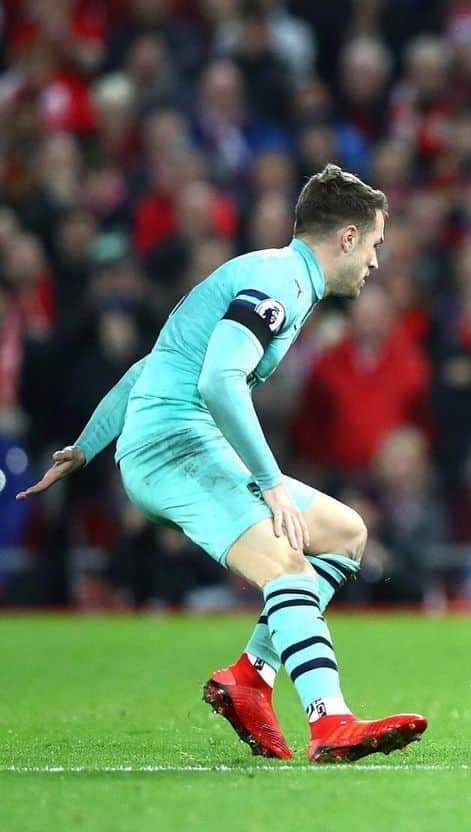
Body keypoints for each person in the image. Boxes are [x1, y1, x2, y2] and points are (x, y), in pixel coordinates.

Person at [17, 164, 427, 763]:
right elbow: (218, 382)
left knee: (344, 535)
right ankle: (329, 721)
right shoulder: (280, 282)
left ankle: (251, 677)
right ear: (346, 237)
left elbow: (147, 369)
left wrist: (85, 447)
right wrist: (271, 485)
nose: (375, 260)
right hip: (173, 448)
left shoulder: (273, 273)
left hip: (174, 441)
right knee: (287, 564)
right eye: (373, 244)